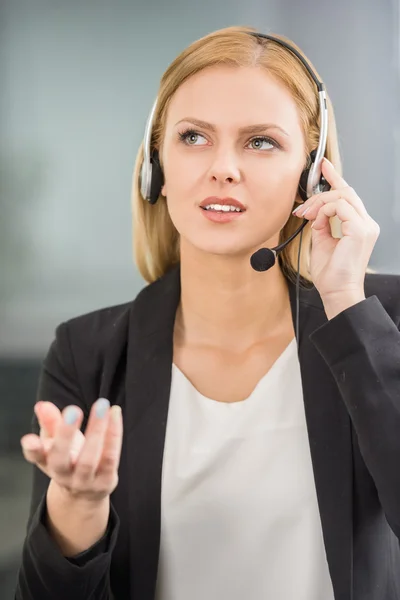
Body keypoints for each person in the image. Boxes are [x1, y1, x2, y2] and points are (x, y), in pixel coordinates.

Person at [15, 25, 400, 600]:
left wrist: (345, 301)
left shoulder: (379, 320)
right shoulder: (88, 350)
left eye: (260, 142)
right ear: (156, 168)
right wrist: (78, 504)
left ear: (312, 174)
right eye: (193, 137)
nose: (222, 167)